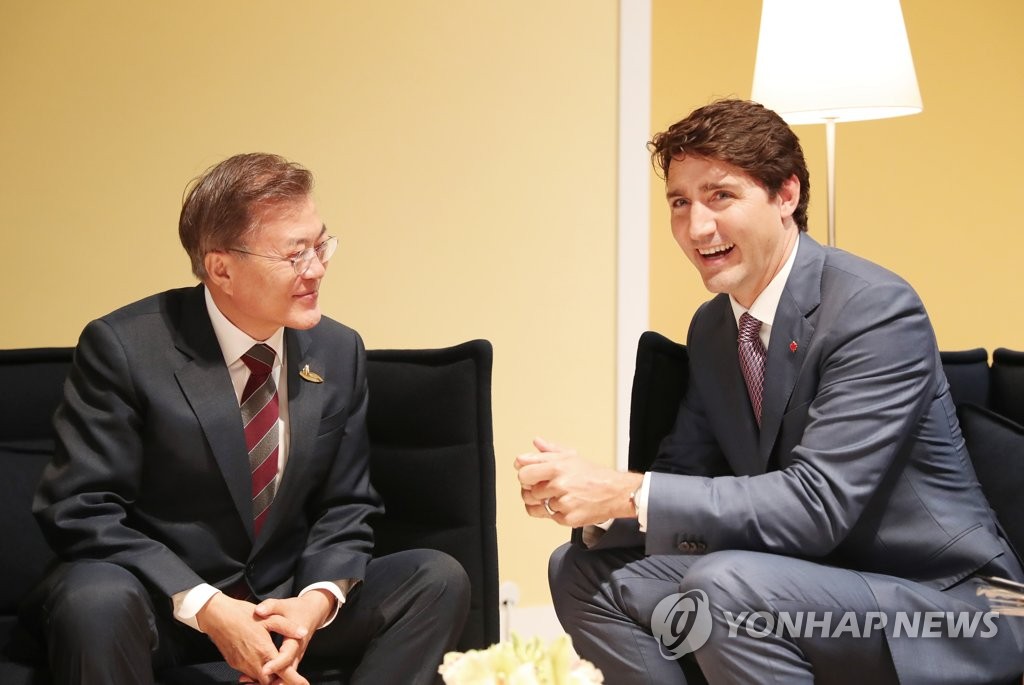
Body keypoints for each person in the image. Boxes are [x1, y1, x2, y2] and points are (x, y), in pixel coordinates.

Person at [516, 99, 1024, 683]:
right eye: (680, 202)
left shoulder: (874, 309)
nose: (696, 227)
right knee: (582, 570)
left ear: (786, 194)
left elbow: (818, 505)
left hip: (950, 606)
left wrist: (624, 493)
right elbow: (685, 473)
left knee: (726, 588)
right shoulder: (714, 328)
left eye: (720, 196)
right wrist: (597, 509)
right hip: (802, 580)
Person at [28, 152, 469, 685]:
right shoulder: (125, 348)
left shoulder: (337, 349)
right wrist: (208, 606)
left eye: (321, 245)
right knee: (93, 599)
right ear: (221, 269)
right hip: (167, 606)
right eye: (295, 254)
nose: (317, 268)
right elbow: (81, 508)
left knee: (434, 578)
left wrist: (314, 602)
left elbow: (346, 505)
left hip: (284, 602)